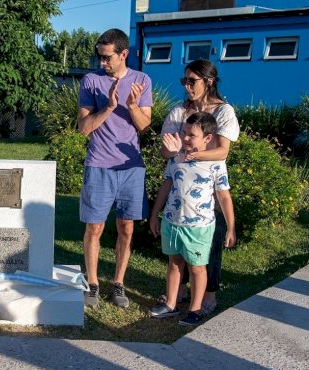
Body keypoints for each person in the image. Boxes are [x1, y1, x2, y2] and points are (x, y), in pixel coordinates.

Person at [77, 28, 153, 308]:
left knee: (126, 228)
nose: (102, 63)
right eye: (100, 57)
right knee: (94, 228)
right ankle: (93, 284)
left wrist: (131, 105)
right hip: (99, 165)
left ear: (124, 54)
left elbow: (144, 126)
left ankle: (118, 284)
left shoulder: (142, 80)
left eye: (107, 58)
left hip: (131, 168)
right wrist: (108, 107)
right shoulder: (90, 81)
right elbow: (84, 128)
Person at [159, 59, 240, 317]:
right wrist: (174, 153)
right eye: (184, 80)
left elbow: (222, 151)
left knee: (209, 246)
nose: (187, 86)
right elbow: (166, 151)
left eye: (192, 81)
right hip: (181, 186)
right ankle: (178, 294)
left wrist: (188, 156)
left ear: (209, 81)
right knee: (179, 249)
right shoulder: (177, 111)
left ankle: (208, 295)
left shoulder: (224, 112)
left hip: (208, 184)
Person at [149, 112, 236, 326]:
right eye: (184, 133)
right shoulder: (175, 156)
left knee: (197, 268)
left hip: (199, 227)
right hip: (172, 222)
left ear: (208, 138)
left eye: (192, 135)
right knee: (174, 262)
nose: (186, 138)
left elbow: (223, 196)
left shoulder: (216, 164)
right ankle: (170, 304)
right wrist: (155, 214)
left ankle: (195, 309)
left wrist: (231, 228)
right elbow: (167, 185)